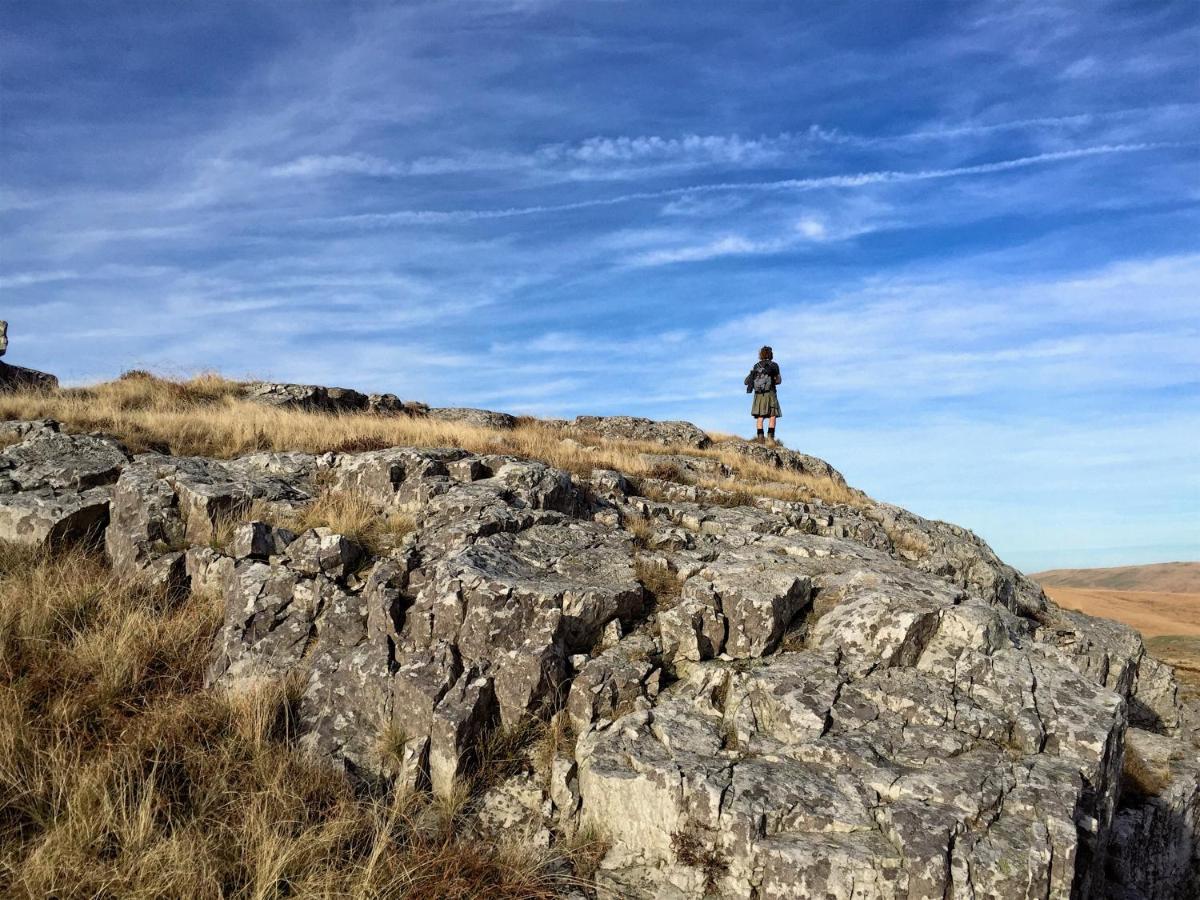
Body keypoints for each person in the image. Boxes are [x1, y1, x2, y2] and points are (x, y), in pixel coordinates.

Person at [744, 345, 781, 443]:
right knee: (772, 416)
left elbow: (748, 380)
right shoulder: (774, 365)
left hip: (758, 394)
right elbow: (779, 381)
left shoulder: (756, 366)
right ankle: (770, 439)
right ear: (771, 354)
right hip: (770, 393)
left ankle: (760, 438)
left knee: (760, 417)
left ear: (761, 355)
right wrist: (772, 380)